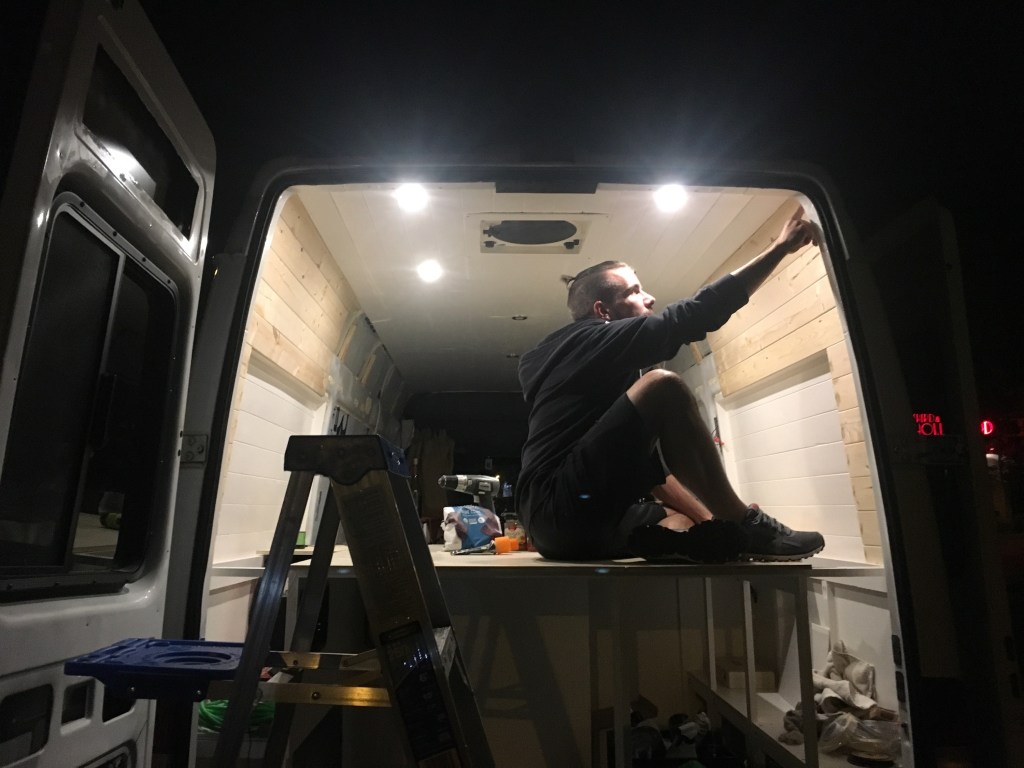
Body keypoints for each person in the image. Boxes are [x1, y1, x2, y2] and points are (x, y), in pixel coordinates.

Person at [516, 206, 827, 562]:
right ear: (603, 312)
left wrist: (708, 519)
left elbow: (656, 478)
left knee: (678, 517)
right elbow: (688, 317)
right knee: (662, 385)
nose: (648, 298)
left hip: (580, 528)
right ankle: (747, 524)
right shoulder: (581, 341)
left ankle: (681, 541)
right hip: (558, 508)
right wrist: (779, 249)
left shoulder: (601, 379)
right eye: (634, 291)